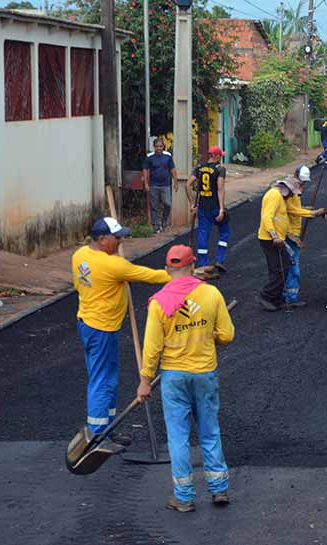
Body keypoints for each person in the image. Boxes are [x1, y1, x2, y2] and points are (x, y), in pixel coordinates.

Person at [137, 244, 235, 513]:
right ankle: (219, 489)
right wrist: (207, 334)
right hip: (204, 374)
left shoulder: (158, 302)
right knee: (209, 431)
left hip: (174, 378)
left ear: (168, 269)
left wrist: (145, 381)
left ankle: (184, 497)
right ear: (193, 267)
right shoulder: (211, 294)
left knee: (178, 438)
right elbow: (226, 335)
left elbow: (152, 347)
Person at [72, 217, 170, 443]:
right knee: (102, 380)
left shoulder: (79, 256)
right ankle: (96, 436)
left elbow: (80, 285)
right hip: (102, 328)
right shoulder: (114, 265)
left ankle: (107, 427)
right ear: (102, 239)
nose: (121, 241)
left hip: (87, 322)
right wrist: (179, 275)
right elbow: (150, 276)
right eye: (117, 238)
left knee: (108, 378)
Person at [283, 165, 327, 307]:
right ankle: (290, 297)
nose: (302, 185)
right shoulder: (288, 190)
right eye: (302, 181)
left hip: (293, 233)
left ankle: (288, 295)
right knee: (293, 267)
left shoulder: (295, 188)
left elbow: (297, 208)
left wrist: (310, 210)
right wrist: (312, 213)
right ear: (295, 175)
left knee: (291, 265)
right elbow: (291, 210)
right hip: (289, 234)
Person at [257, 178, 299, 311]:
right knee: (279, 269)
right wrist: (274, 236)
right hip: (270, 239)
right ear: (286, 190)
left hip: (277, 239)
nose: (292, 196)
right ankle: (266, 296)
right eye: (291, 193)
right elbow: (267, 217)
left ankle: (277, 298)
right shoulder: (274, 196)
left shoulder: (279, 197)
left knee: (283, 267)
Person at [187, 146, 230, 273]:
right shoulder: (220, 169)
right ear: (216, 156)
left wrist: (191, 204)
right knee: (224, 231)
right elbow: (220, 189)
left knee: (203, 234)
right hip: (215, 207)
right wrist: (222, 209)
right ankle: (220, 259)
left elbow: (188, 184)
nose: (221, 158)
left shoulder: (199, 168)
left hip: (202, 207)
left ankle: (202, 263)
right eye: (220, 156)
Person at [143, 137, 178, 233]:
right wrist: (146, 184)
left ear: (163, 147)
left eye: (160, 146)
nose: (159, 148)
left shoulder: (168, 156)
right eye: (157, 146)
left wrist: (175, 182)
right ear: (154, 147)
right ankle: (156, 226)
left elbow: (173, 169)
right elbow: (145, 170)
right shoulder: (149, 157)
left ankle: (164, 221)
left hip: (165, 185)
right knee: (154, 206)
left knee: (168, 204)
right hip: (153, 185)